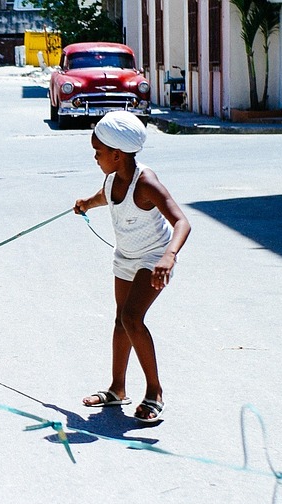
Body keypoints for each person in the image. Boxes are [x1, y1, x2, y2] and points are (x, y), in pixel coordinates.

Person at [73, 111, 190, 424]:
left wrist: (170, 256)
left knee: (131, 317)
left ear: (116, 154)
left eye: (98, 153)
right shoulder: (113, 178)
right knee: (119, 320)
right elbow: (106, 196)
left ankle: (155, 391)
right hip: (126, 255)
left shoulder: (146, 183)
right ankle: (117, 390)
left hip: (154, 258)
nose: (96, 158)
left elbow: (181, 221)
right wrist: (86, 203)